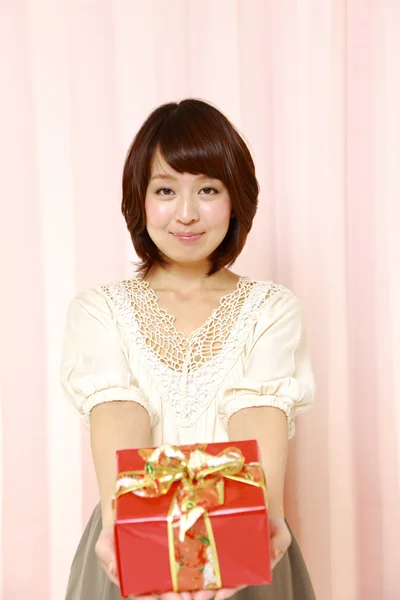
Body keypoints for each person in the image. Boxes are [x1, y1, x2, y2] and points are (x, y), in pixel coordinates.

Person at [60, 98, 316, 600]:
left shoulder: (271, 307)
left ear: (235, 198)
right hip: (130, 534)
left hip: (241, 534)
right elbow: (118, 410)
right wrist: (125, 524)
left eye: (207, 189)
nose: (186, 213)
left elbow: (258, 410)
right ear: (140, 199)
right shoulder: (99, 309)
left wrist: (263, 516)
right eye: (165, 189)